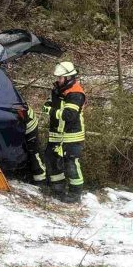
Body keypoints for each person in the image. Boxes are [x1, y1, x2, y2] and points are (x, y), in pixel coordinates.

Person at [43, 61, 86, 203]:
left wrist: (50, 111)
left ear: (68, 78)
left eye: (60, 77)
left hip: (71, 135)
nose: (58, 80)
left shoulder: (75, 93)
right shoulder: (57, 89)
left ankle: (75, 194)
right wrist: (48, 104)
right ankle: (57, 189)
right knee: (52, 160)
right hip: (56, 133)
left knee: (71, 164)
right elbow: (50, 102)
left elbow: (69, 115)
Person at [24, 107, 48, 185]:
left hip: (29, 124)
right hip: (27, 119)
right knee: (33, 150)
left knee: (33, 152)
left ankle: (41, 180)